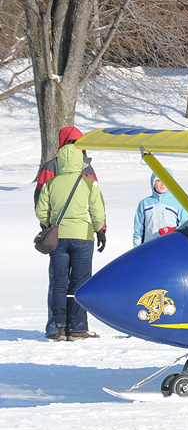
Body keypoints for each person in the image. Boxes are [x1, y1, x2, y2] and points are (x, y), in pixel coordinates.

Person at [35, 127, 102, 339]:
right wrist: (101, 230)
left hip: (57, 236)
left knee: (58, 282)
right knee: (80, 283)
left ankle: (58, 328)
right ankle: (79, 327)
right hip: (83, 235)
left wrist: (50, 225)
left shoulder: (50, 173)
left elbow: (40, 206)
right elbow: (97, 210)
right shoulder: (89, 175)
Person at [134, 170, 187, 246]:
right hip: (148, 247)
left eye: (165, 180)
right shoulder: (144, 203)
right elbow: (138, 230)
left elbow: (185, 227)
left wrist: (172, 231)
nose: (162, 184)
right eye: (158, 180)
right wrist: (137, 248)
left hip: (170, 247)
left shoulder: (178, 203)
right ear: (153, 183)